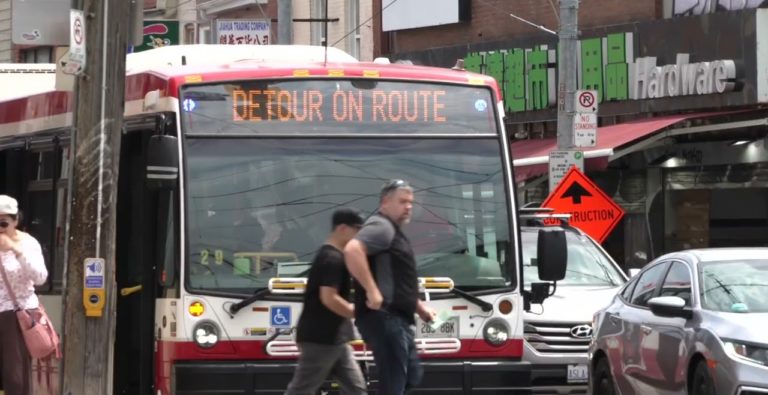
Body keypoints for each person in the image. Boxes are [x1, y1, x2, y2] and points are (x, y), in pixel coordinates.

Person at [344, 180, 436, 395]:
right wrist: (371, 290)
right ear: (385, 202)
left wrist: (419, 308)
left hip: (398, 319)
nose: (409, 206)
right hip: (385, 318)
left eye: (410, 202)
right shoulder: (381, 227)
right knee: (394, 384)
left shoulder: (393, 231)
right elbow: (352, 250)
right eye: (402, 201)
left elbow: (396, 280)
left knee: (412, 375)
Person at [285, 208, 367, 395]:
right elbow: (329, 298)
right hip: (321, 339)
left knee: (357, 389)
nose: (360, 236)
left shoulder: (334, 256)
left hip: (335, 339)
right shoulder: (332, 259)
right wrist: (357, 311)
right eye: (358, 230)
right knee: (301, 390)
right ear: (343, 229)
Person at [0, 195, 48, 395]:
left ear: (15, 221)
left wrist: (15, 250)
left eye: (3, 223)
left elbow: (40, 277)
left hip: (17, 313)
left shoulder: (28, 244)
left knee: (16, 375)